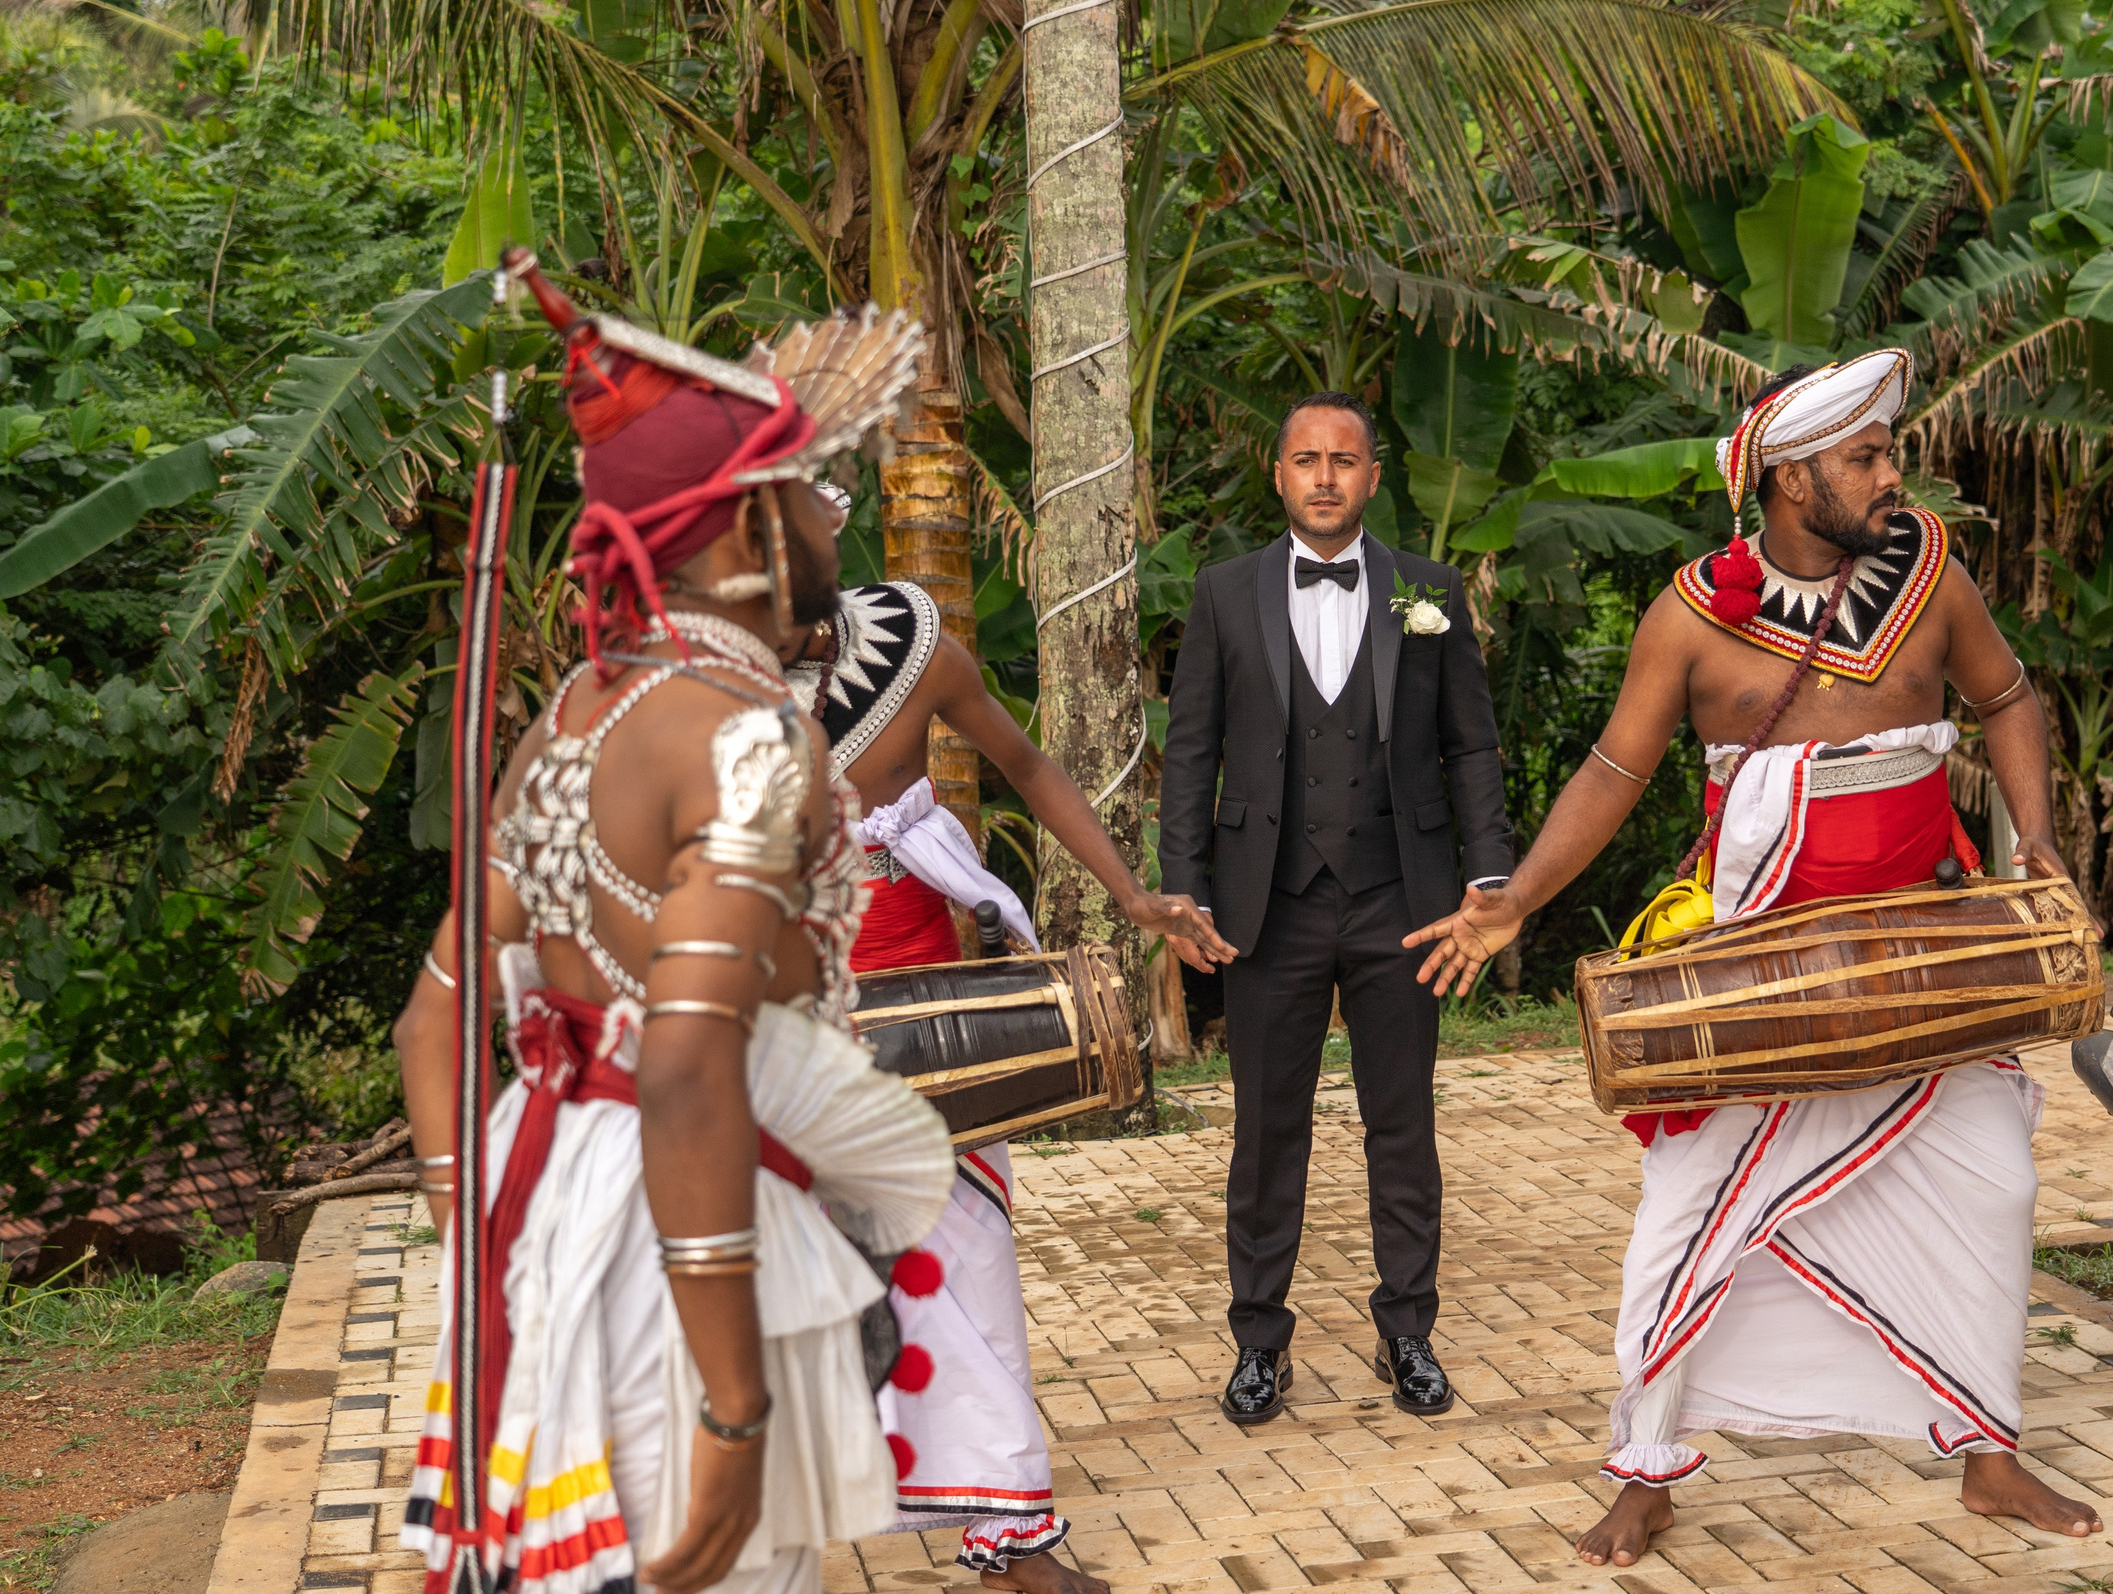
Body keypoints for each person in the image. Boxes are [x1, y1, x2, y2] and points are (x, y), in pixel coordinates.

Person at [1404, 348, 2104, 1562]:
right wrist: (1514, 900)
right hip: (1762, 963)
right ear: (1789, 479)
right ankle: (1649, 1465)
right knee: (1689, 1213)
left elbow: (2007, 698)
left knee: (1991, 1186)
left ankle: (1985, 1452)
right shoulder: (1689, 616)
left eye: (1886, 453)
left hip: (1925, 951)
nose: (1890, 476)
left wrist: (2032, 836)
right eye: (1864, 458)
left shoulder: (1931, 572)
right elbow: (1615, 773)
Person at [392, 272, 956, 1594]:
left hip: (540, 1222)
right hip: (679, 1249)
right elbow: (687, 1061)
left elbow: (432, 1019)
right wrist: (735, 1402)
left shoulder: (569, 717)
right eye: (812, 489)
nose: (831, 520)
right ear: (749, 523)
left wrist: (483, 1248)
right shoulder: (751, 736)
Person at [784, 571, 1231, 1594]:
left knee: (967, 1253)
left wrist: (1132, 895)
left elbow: (1025, 762)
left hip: (917, 992)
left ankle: (1007, 1534)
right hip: (763, 1004)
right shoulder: (683, 688)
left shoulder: (910, 647)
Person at [1157, 391, 1512, 1422]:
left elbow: (1470, 748)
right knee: (1267, 1131)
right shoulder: (1224, 593)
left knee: (1400, 1125)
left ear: (1371, 476)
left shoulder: (1429, 592)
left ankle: (1407, 1333)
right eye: (1305, 459)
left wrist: (1489, 876)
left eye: (1344, 459)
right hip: (1265, 905)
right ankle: (1258, 1342)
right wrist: (1181, 885)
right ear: (1279, 475)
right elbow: (1192, 752)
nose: (1324, 476)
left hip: (1403, 899)